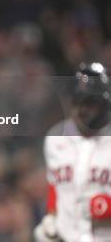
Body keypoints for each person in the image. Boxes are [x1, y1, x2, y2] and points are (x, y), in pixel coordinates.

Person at [34, 62, 111, 242]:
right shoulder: (55, 139)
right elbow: (55, 185)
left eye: (91, 103)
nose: (84, 110)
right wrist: (52, 218)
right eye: (79, 102)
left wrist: (107, 207)